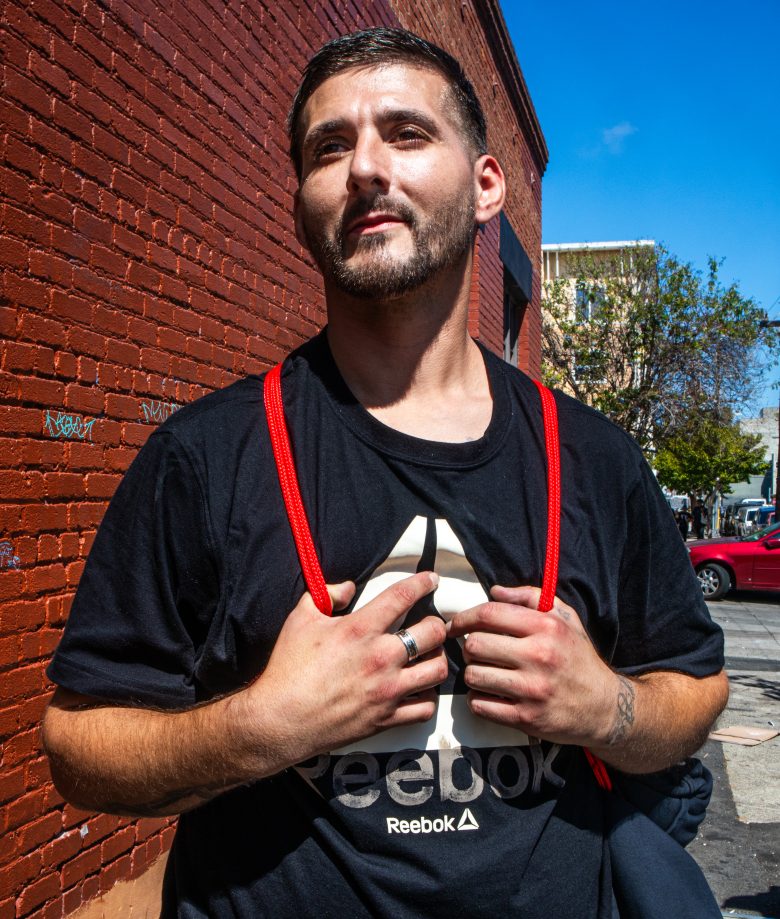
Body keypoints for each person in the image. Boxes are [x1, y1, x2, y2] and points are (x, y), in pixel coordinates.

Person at [42, 28, 728, 918]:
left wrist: (606, 710)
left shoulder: (594, 460)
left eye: (406, 133)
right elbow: (78, 746)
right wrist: (264, 726)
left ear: (487, 186)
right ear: (301, 203)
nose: (366, 166)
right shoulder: (206, 457)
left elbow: (696, 685)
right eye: (330, 147)